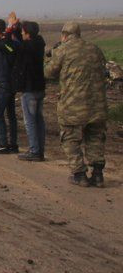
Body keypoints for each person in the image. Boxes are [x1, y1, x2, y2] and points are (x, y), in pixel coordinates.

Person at [44, 22, 108, 187]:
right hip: (97, 105)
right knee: (95, 137)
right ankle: (98, 175)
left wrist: (50, 56)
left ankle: (79, 174)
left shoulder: (63, 50)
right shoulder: (95, 49)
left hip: (73, 105)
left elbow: (48, 72)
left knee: (71, 138)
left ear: (64, 35)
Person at [14, 21, 47, 161]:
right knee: (39, 120)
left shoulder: (27, 46)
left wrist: (11, 28)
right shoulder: (39, 43)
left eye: (23, 31)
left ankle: (34, 151)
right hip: (40, 87)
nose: (21, 33)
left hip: (30, 88)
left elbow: (15, 46)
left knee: (30, 121)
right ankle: (39, 151)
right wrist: (17, 25)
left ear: (27, 34)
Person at [0, 18, 20, 154]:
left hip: (6, 82)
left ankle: (3, 144)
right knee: (11, 114)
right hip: (8, 81)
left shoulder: (5, 44)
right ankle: (13, 144)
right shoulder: (6, 43)